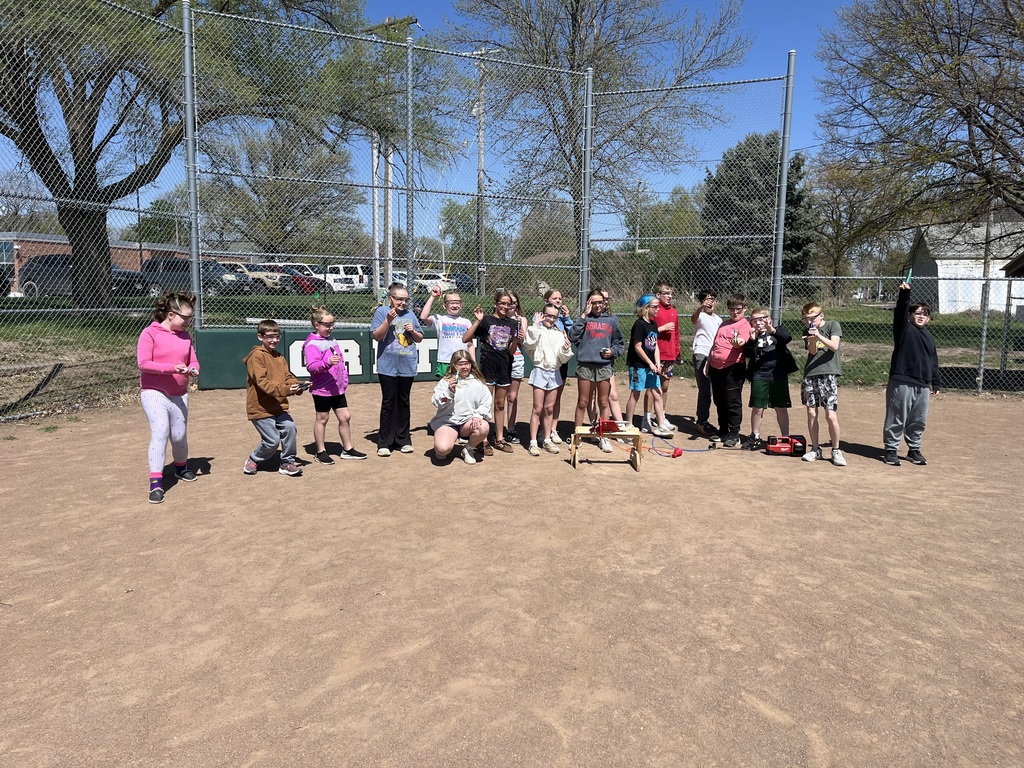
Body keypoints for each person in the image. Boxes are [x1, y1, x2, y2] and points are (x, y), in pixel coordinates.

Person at [137, 291, 200, 504]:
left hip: (180, 393)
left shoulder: (185, 336)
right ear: (170, 314)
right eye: (185, 317)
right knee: (161, 431)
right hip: (154, 391)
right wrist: (171, 368)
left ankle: (181, 468)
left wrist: (193, 369)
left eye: (190, 317)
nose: (188, 321)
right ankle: (156, 483)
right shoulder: (150, 333)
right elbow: (143, 363)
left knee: (179, 435)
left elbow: (193, 360)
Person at [883, 282, 941, 466]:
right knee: (897, 416)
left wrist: (935, 382)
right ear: (909, 316)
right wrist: (905, 295)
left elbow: (933, 361)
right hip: (902, 380)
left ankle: (913, 449)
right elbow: (900, 312)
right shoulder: (904, 330)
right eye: (917, 313)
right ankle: (891, 450)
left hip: (923, 384)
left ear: (929, 318)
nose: (921, 316)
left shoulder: (930, 337)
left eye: (925, 314)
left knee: (918, 419)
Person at [303, 305, 366, 464]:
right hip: (322, 389)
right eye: (327, 325)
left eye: (332, 324)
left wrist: (343, 378)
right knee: (322, 419)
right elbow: (312, 367)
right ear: (317, 325)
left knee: (345, 417)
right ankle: (320, 451)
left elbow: (340, 361)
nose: (330, 327)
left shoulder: (332, 340)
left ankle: (348, 449)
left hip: (337, 388)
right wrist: (327, 363)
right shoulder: (312, 344)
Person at [242, 319, 305, 477]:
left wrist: (298, 386)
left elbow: (287, 377)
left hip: (278, 405)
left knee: (290, 427)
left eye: (277, 336)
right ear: (260, 337)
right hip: (260, 407)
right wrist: (286, 390)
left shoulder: (279, 357)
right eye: (270, 336)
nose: (274, 340)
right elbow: (262, 383)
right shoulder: (256, 356)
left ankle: (287, 462)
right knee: (272, 440)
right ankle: (254, 459)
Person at [462, 288, 520, 454]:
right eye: (502, 303)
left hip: (504, 368)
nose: (505, 306)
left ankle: (499, 438)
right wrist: (477, 321)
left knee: (500, 404)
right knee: (485, 404)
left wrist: (516, 339)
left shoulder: (513, 324)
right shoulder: (486, 320)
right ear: (495, 303)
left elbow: (511, 351)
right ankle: (483, 440)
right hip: (487, 368)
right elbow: (466, 339)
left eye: (508, 304)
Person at [569, 288, 625, 453]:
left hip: (604, 366)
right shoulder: (584, 319)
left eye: (600, 302)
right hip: (585, 365)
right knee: (583, 402)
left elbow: (619, 343)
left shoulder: (611, 320)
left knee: (603, 402)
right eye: (593, 302)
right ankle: (577, 436)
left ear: (604, 303)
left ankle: (604, 437)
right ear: (588, 303)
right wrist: (583, 316)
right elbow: (573, 336)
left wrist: (612, 352)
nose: (597, 305)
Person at [371, 283, 424, 457]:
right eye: (399, 299)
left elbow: (420, 338)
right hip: (387, 365)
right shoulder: (381, 312)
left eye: (406, 299)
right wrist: (388, 320)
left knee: (403, 401)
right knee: (388, 402)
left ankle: (403, 439)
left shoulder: (410, 315)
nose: (403, 302)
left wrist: (412, 331)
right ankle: (385, 441)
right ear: (391, 298)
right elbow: (377, 336)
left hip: (407, 364)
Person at [523, 302, 574, 456]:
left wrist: (565, 348)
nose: (551, 319)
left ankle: (546, 439)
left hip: (554, 373)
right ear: (542, 315)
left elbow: (563, 358)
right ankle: (532, 442)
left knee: (549, 408)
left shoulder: (559, 334)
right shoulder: (536, 330)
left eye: (554, 317)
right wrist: (535, 325)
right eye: (548, 316)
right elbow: (529, 344)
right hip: (540, 371)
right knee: (537, 408)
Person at [743, 307, 795, 451]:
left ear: (769, 319)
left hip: (778, 375)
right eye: (755, 320)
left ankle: (786, 436)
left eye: (762, 319)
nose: (758, 323)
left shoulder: (777, 331)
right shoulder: (753, 337)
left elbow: (787, 338)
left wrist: (771, 329)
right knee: (758, 407)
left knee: (781, 407)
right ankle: (755, 435)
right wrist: (752, 340)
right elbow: (746, 354)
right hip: (760, 376)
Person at [800, 301, 845, 466]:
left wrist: (818, 335)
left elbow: (834, 346)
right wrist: (812, 338)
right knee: (812, 413)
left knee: (830, 414)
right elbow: (812, 351)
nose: (809, 322)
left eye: (812, 318)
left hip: (829, 374)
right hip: (811, 374)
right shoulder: (808, 330)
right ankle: (815, 449)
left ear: (821, 315)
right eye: (806, 319)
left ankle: (836, 450)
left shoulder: (833, 325)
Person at [428, 349, 492, 465]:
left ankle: (468, 449)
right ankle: (446, 443)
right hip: (448, 422)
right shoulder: (446, 381)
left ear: (471, 365)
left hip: (467, 422)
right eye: (460, 364)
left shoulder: (478, 382)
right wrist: (449, 392)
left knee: (484, 427)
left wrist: (478, 415)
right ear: (454, 365)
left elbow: (486, 401)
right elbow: (436, 401)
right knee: (442, 450)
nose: (464, 367)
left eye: (466, 363)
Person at [625, 295, 673, 438]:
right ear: (646, 308)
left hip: (651, 366)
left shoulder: (653, 324)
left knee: (657, 392)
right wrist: (650, 363)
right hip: (638, 365)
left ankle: (661, 423)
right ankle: (629, 423)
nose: (658, 309)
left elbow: (655, 345)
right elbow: (638, 347)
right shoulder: (639, 325)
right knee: (636, 393)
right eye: (655, 307)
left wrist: (657, 363)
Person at [706, 294, 751, 447]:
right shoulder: (724, 324)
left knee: (732, 401)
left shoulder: (745, 325)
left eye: (738, 309)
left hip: (733, 367)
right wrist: (708, 363)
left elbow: (742, 341)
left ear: (744, 309)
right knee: (719, 399)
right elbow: (715, 345)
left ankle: (734, 432)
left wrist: (738, 342)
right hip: (715, 367)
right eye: (731, 309)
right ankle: (723, 429)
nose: (735, 312)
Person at [533, 287, 573, 445]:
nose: (558, 301)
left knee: (555, 399)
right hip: (544, 365)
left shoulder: (562, 319)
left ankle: (552, 429)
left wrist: (567, 318)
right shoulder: (541, 317)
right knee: (541, 402)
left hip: (559, 362)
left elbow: (572, 334)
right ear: (546, 301)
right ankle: (542, 430)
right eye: (555, 298)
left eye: (560, 298)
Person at [418, 286, 473, 378]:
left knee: (463, 387)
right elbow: (423, 317)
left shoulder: (466, 322)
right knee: (447, 387)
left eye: (457, 302)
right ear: (444, 305)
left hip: (463, 361)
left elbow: (470, 344)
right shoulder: (439, 319)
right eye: (451, 303)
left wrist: (472, 362)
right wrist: (433, 296)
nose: (455, 305)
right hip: (445, 360)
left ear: (461, 305)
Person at [650, 281, 681, 432]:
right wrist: (662, 328)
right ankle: (647, 417)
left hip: (669, 355)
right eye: (666, 293)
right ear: (658, 295)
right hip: (656, 354)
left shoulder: (674, 312)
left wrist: (677, 352)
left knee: (665, 386)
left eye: (671, 294)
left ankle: (661, 415)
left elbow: (676, 334)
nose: (669, 296)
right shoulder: (654, 311)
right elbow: (648, 331)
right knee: (652, 387)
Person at [691, 290, 721, 437]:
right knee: (705, 389)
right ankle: (701, 421)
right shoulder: (701, 316)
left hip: (715, 356)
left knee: (715, 390)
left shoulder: (719, 320)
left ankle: (706, 420)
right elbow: (693, 319)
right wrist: (700, 308)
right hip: (701, 354)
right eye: (706, 300)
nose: (710, 302)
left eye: (712, 299)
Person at [504, 290, 528, 445]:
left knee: (512, 397)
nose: (510, 305)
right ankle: (496, 429)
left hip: (516, 359)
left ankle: (511, 429)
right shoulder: (497, 319)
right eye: (507, 302)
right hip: (499, 359)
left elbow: (523, 339)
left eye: (513, 302)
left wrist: (518, 324)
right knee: (497, 397)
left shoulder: (522, 319)